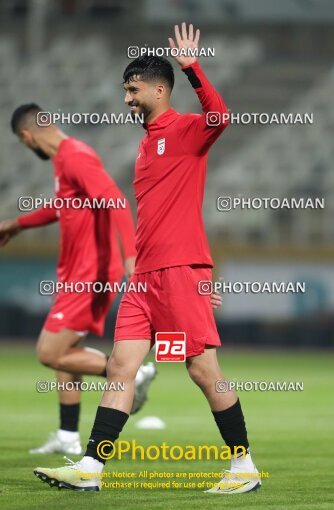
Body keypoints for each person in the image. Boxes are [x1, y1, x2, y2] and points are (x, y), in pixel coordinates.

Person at [33, 23, 260, 494]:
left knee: (202, 370)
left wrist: (192, 68)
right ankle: (92, 468)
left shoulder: (187, 130)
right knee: (120, 366)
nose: (127, 99)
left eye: (133, 90)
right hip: (147, 279)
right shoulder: (144, 142)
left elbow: (221, 117)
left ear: (160, 89)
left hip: (179, 273)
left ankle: (243, 467)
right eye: (125, 91)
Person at [0, 104, 157, 454]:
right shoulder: (64, 160)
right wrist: (16, 224)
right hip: (76, 273)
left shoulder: (76, 157)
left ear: (27, 137)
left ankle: (131, 373)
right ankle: (68, 436)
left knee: (48, 352)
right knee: (65, 353)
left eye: (26, 145)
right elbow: (62, 207)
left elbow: (116, 201)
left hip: (90, 274)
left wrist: (131, 255)